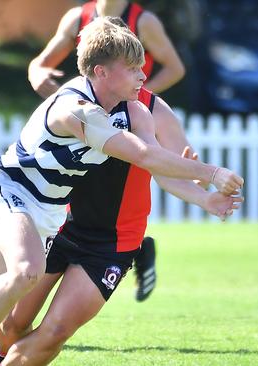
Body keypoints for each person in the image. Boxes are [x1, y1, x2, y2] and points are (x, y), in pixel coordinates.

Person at [0, 16, 242, 366]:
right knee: (22, 275)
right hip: (11, 188)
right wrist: (212, 172)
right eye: (133, 68)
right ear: (101, 72)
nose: (143, 75)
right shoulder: (75, 109)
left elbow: (154, 160)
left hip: (52, 210)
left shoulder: (139, 110)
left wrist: (204, 193)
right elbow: (141, 153)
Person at [29, 0, 188, 302]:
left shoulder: (144, 22)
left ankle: (132, 247)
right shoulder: (77, 18)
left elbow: (175, 67)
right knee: (79, 188)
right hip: (88, 118)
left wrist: (136, 94)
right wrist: (40, 78)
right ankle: (133, 248)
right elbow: (39, 63)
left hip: (127, 118)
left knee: (125, 192)